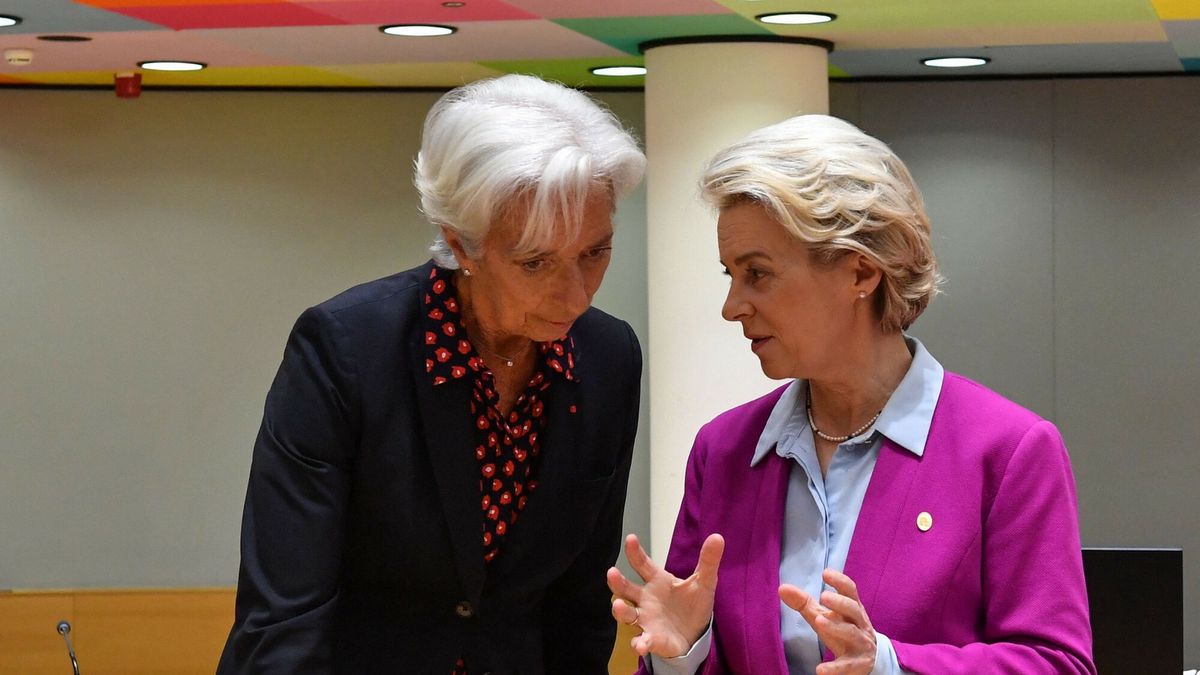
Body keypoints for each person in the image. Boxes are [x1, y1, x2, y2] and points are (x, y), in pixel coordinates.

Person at [607, 115, 1095, 674]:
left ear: (860, 272)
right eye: (730, 276)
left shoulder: (1009, 452)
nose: (732, 305)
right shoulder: (723, 453)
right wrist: (682, 654)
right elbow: (688, 652)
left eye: (758, 274)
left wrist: (887, 665)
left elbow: (1058, 664)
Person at [217, 74, 646, 674]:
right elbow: (286, 616)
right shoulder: (347, 350)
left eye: (595, 252)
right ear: (460, 244)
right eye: (535, 261)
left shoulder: (608, 358)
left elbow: (577, 606)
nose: (575, 296)